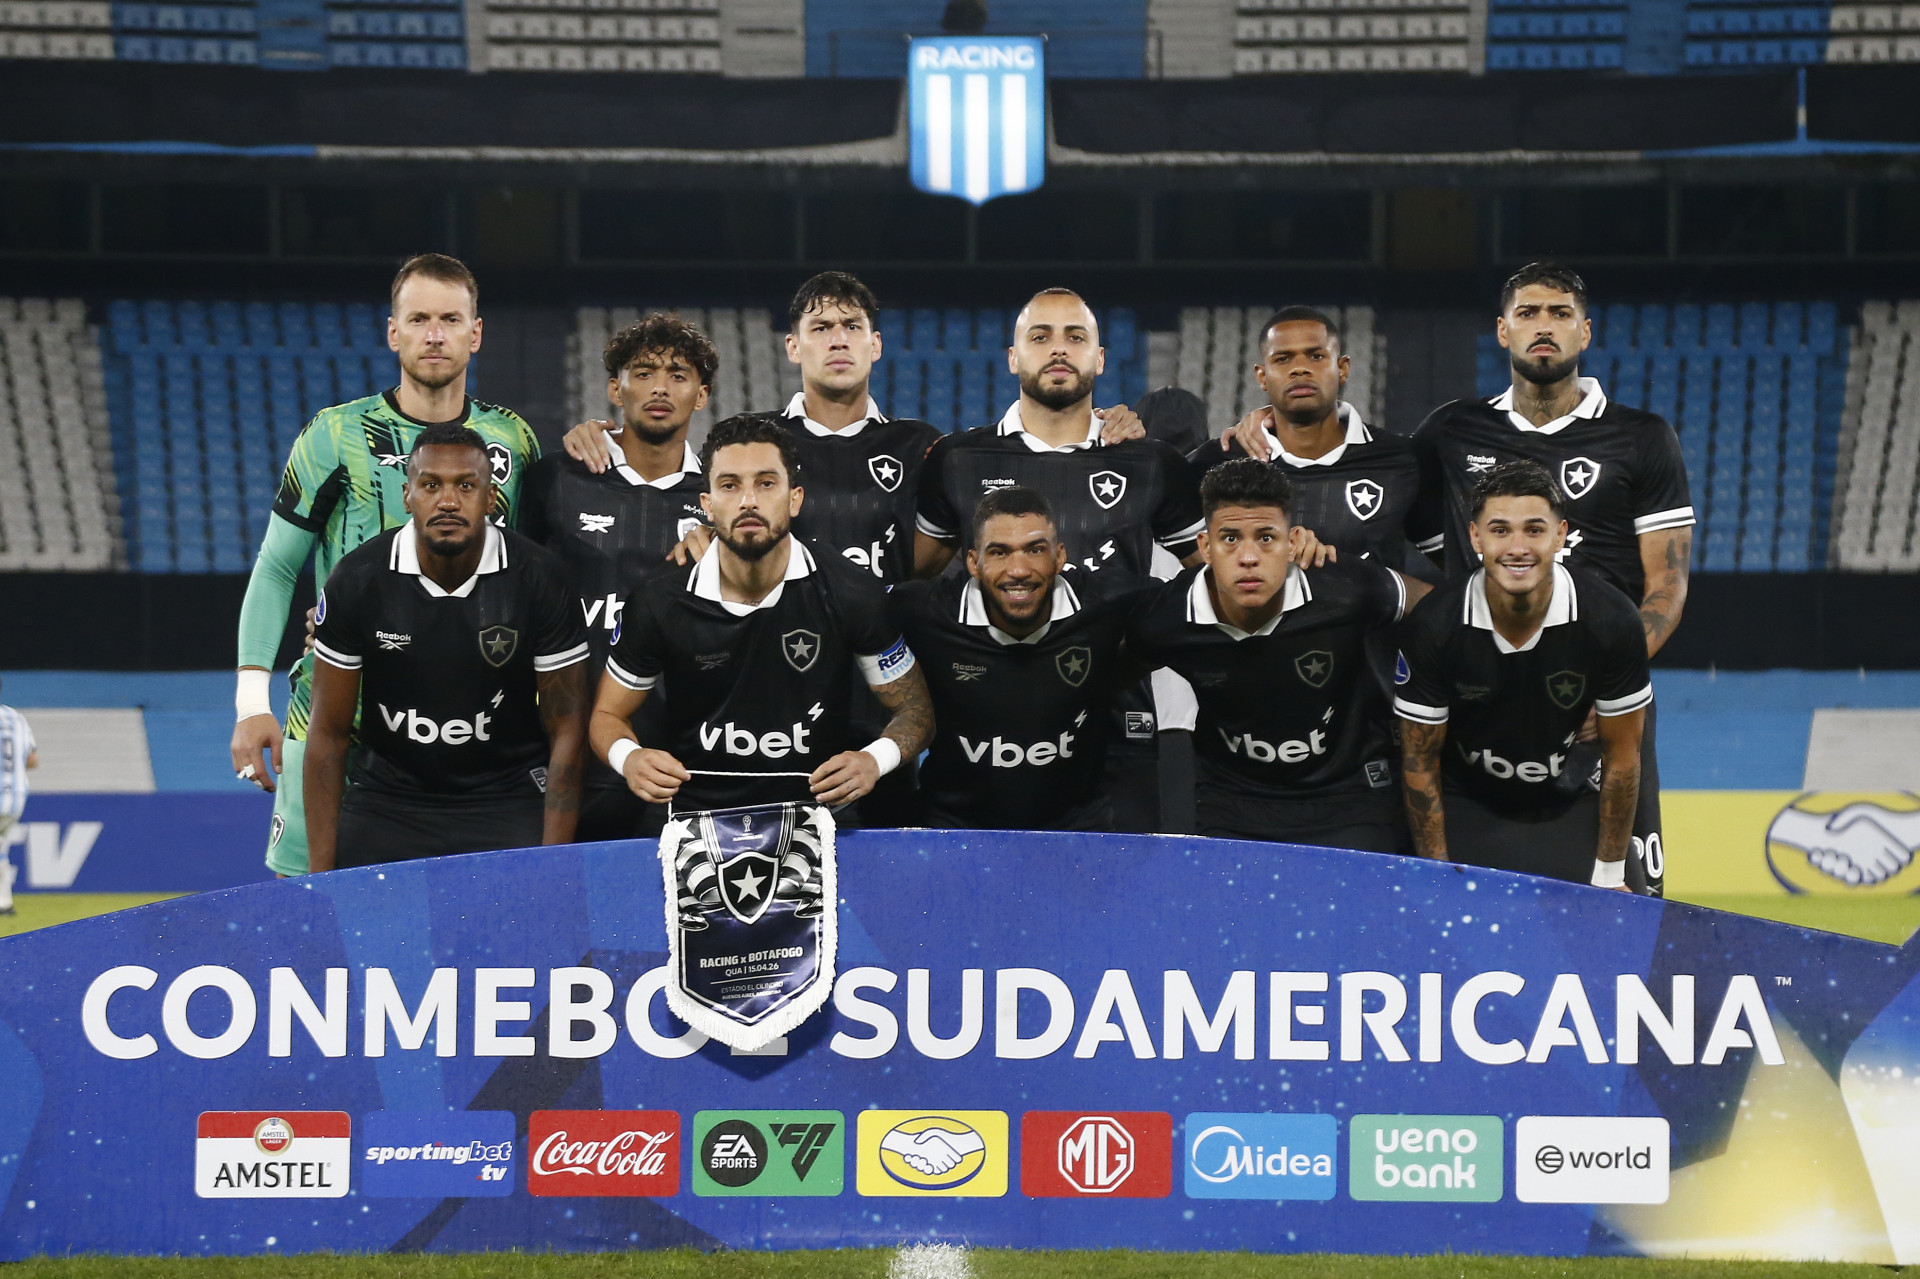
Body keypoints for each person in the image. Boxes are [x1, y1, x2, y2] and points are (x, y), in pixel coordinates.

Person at [230, 254, 543, 877]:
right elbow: (276, 568)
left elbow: (535, 576)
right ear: (393, 332)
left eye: (450, 320)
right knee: (311, 899)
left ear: (476, 333)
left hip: (470, 721)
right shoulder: (334, 435)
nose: (435, 335)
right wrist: (249, 703)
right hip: (333, 713)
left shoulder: (513, 440)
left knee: (468, 907)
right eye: (419, 319)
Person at [1403, 262, 1690, 896]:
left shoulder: (1642, 438)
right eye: (1527, 313)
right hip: (1480, 702)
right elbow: (1367, 484)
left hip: (1602, 709)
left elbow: (1667, 588)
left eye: (1560, 314)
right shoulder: (1452, 431)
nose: (1543, 326)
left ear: (1585, 332)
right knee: (1465, 907)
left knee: (1625, 905)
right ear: (1502, 330)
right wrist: (1263, 429)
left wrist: (1604, 685)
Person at [914, 287, 1209, 832]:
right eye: (1040, 336)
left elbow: (1213, 578)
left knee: (1116, 886)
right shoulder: (958, 459)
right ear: (1013, 357)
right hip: (982, 735)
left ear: (1100, 358)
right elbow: (916, 578)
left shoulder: (1150, 462)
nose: (1058, 349)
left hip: (1116, 733)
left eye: (1075, 337)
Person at [590, 416, 935, 817]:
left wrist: (874, 760)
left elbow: (917, 713)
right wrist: (629, 758)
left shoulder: (850, 592)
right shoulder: (659, 600)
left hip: (820, 817)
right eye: (729, 485)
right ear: (707, 504)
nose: (748, 501)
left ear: (795, 499)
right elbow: (606, 715)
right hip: (695, 817)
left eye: (766, 483)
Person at [305, 425, 591, 871]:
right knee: (357, 914)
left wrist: (552, 866)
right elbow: (327, 733)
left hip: (507, 794)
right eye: (430, 485)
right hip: (388, 799)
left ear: (491, 498)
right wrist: (321, 880)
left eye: (466, 486)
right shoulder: (357, 580)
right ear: (407, 496)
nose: (448, 501)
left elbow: (568, 731)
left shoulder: (540, 578)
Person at [1126, 459, 1428, 851]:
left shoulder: (1345, 587)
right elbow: (1105, 676)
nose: (1248, 557)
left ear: (1293, 540)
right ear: (1205, 547)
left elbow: (1438, 610)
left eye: (1266, 538)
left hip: (1349, 797)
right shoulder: (1167, 616)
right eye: (1230, 538)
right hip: (1232, 802)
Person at [1394, 461, 1649, 890]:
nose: (1518, 548)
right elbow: (1420, 761)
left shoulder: (1611, 619)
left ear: (1560, 535)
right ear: (1475, 537)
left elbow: (1622, 759)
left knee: (1630, 924)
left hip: (1572, 800)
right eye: (1500, 530)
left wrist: (1609, 876)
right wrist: (1437, 876)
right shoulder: (1435, 624)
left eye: (1534, 530)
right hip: (1467, 803)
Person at [520, 314, 714, 841]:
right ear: (614, 389)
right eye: (643, 373)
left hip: (678, 762)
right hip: (561, 757)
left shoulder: (721, 501)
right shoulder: (557, 479)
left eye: (678, 375)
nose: (659, 388)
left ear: (701, 395)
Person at [888, 486, 1131, 830]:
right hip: (953, 828)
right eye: (999, 552)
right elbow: (847, 611)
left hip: (1077, 829)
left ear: (1059, 556)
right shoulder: (923, 610)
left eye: (1035, 550)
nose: (1018, 570)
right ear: (973, 563)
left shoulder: (1109, 601)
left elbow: (1184, 607)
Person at [1205, 306, 1426, 575]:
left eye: (1316, 356)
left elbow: (1450, 570)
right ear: (1262, 376)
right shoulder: (1220, 462)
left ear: (1342, 368)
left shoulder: (1401, 460)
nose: (1300, 368)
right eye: (1283, 359)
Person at [0, 680, 40, 915]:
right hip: (15, 797)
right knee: (1, 845)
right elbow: (32, 760)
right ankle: (4, 903)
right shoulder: (16, 717)